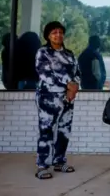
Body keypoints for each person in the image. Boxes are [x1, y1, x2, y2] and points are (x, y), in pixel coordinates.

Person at [34, 21, 80, 180]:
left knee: (64, 131)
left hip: (68, 99)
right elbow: (44, 74)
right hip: (48, 99)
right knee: (46, 131)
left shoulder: (70, 54)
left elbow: (77, 72)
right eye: (54, 32)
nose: (58, 35)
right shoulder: (43, 52)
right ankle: (42, 165)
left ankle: (59, 161)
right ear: (48, 36)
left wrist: (74, 87)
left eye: (60, 32)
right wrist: (68, 85)